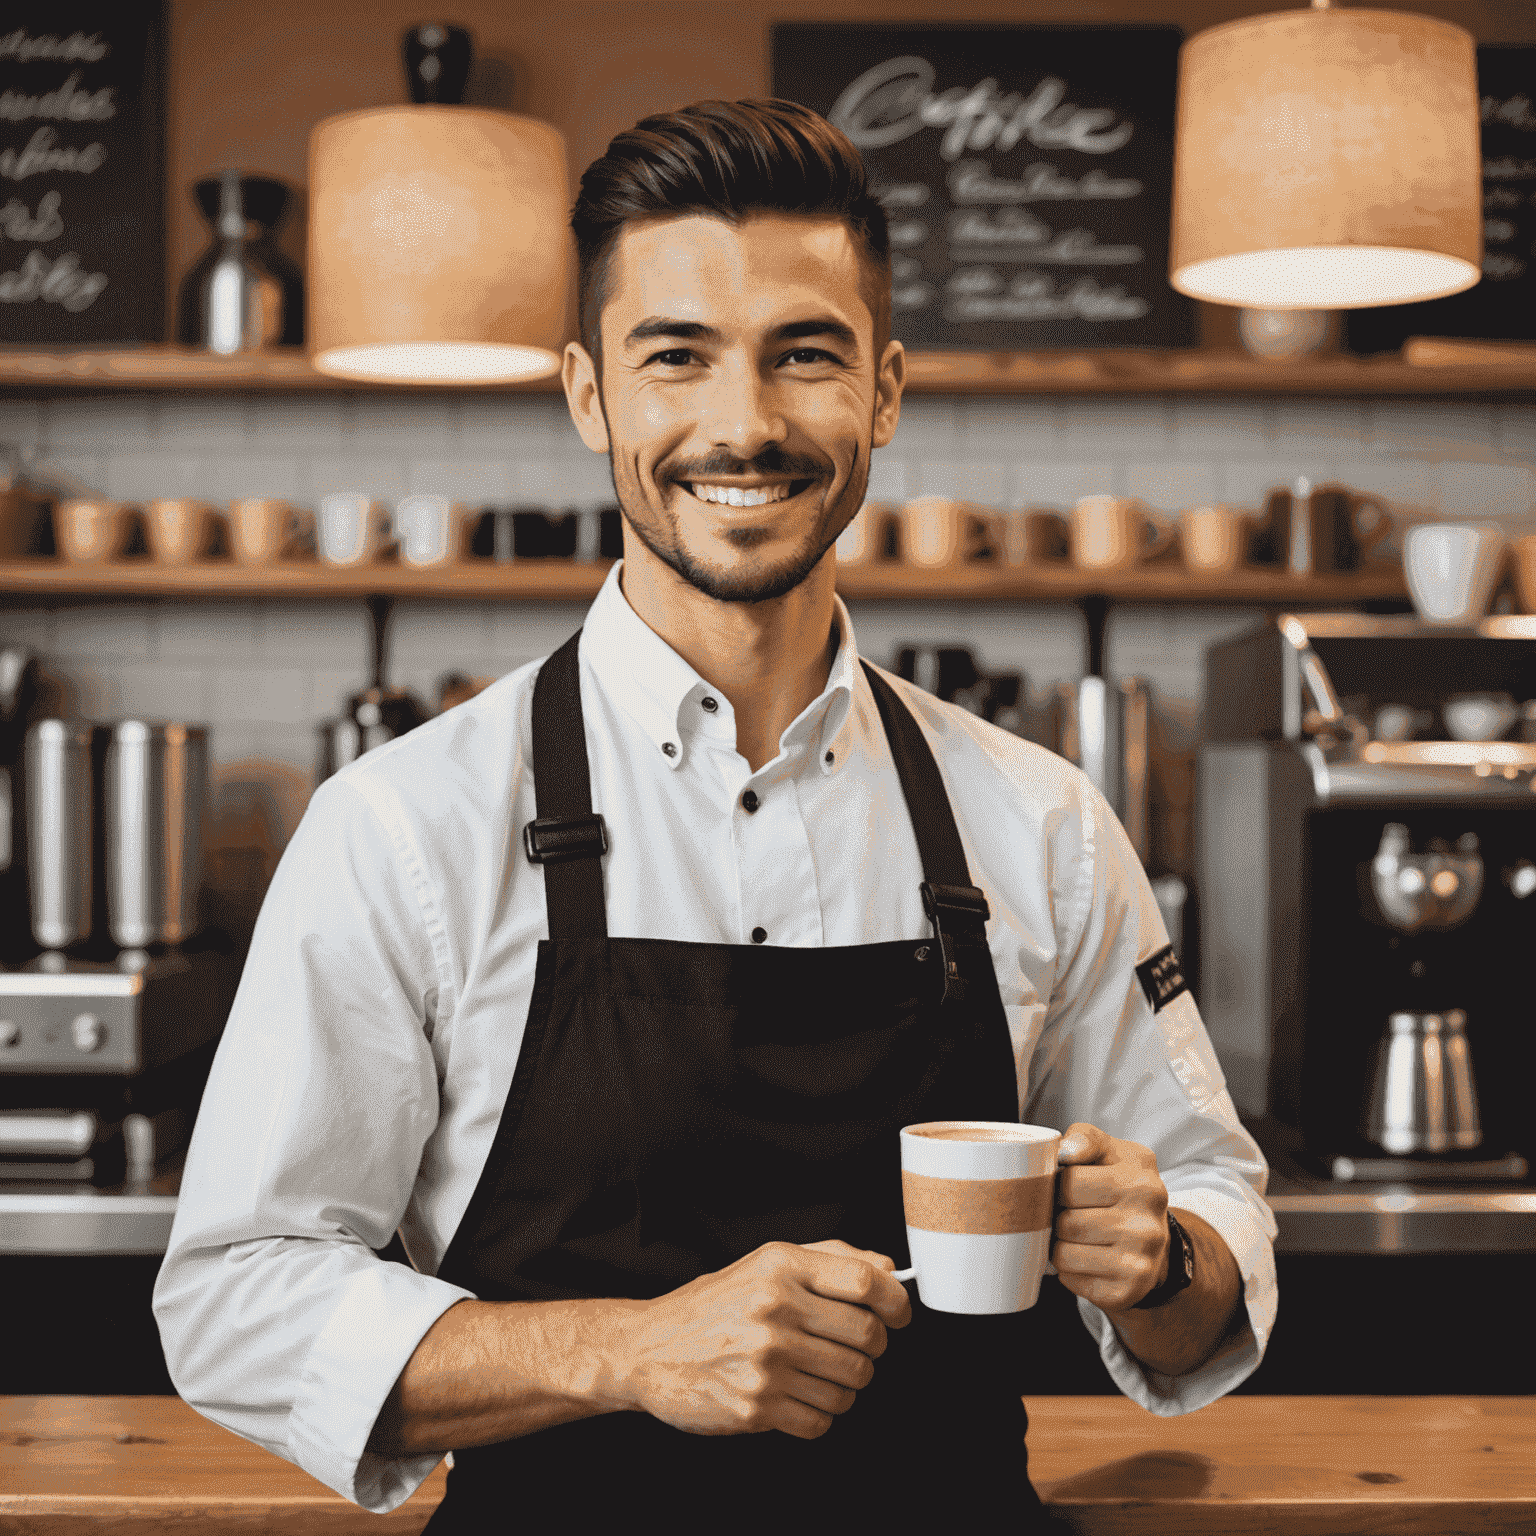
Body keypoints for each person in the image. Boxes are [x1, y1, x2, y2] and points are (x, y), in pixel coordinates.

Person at [153, 99, 1277, 1530]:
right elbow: (236, 1298)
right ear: (588, 395)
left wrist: (1165, 1258)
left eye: (806, 357)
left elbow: (1214, 1227)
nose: (743, 425)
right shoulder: (400, 828)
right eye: (675, 358)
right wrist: (625, 1349)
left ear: (884, 390)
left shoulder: (1042, 821)